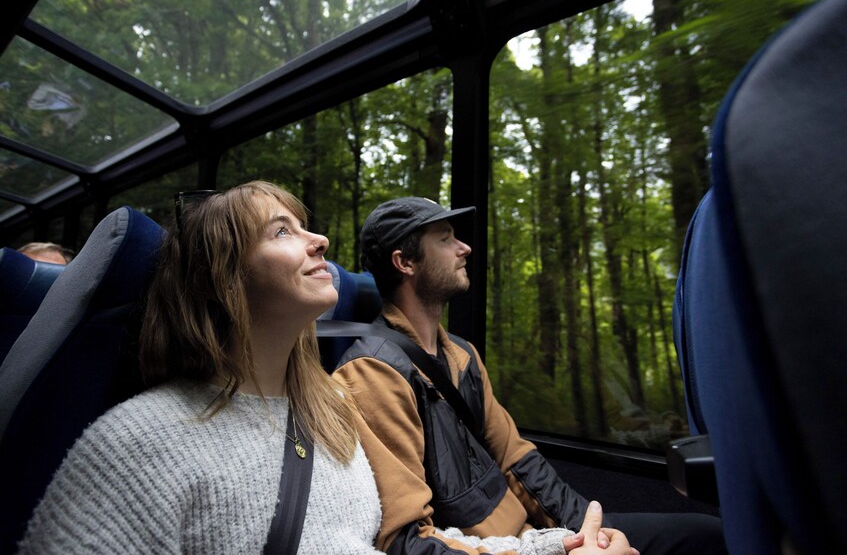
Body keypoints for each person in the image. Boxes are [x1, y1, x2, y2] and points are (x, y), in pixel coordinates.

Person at [333, 196, 727, 555]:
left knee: (708, 535)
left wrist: (590, 532)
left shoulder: (462, 354)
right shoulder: (372, 374)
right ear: (406, 262)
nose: (464, 247)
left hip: (538, 535)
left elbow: (517, 460)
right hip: (495, 549)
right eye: (445, 238)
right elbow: (406, 542)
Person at [17, 181, 382, 554]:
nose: (320, 239)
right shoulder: (137, 445)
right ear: (219, 279)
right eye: (282, 231)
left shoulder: (333, 405)